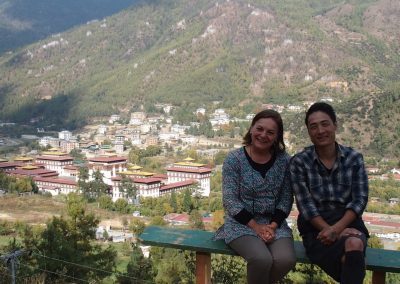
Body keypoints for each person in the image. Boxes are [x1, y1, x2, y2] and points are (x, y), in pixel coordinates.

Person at [290, 102, 369, 284]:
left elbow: (359, 200)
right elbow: (306, 206)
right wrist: (329, 230)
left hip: (348, 221)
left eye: (325, 124)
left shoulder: (354, 158)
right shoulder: (300, 162)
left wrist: (337, 229)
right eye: (314, 126)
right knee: (351, 261)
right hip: (315, 228)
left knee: (353, 244)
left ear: (335, 125)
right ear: (308, 131)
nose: (320, 131)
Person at [214, 109, 296, 284]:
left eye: (270, 132)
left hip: (275, 224)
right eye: (259, 129)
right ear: (251, 129)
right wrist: (255, 227)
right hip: (241, 224)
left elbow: (286, 198)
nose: (263, 135)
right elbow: (230, 200)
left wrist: (272, 226)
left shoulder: (285, 161)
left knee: (286, 260)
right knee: (261, 259)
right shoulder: (234, 159)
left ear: (277, 137)